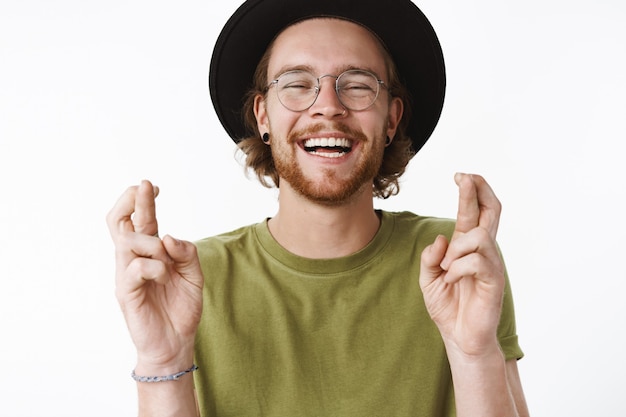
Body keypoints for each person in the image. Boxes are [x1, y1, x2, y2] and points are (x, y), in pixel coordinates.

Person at [106, 0, 530, 416]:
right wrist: (163, 362)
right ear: (263, 117)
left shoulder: (456, 264)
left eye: (358, 84)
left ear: (391, 120)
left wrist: (475, 354)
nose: (328, 105)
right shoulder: (192, 280)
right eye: (296, 84)